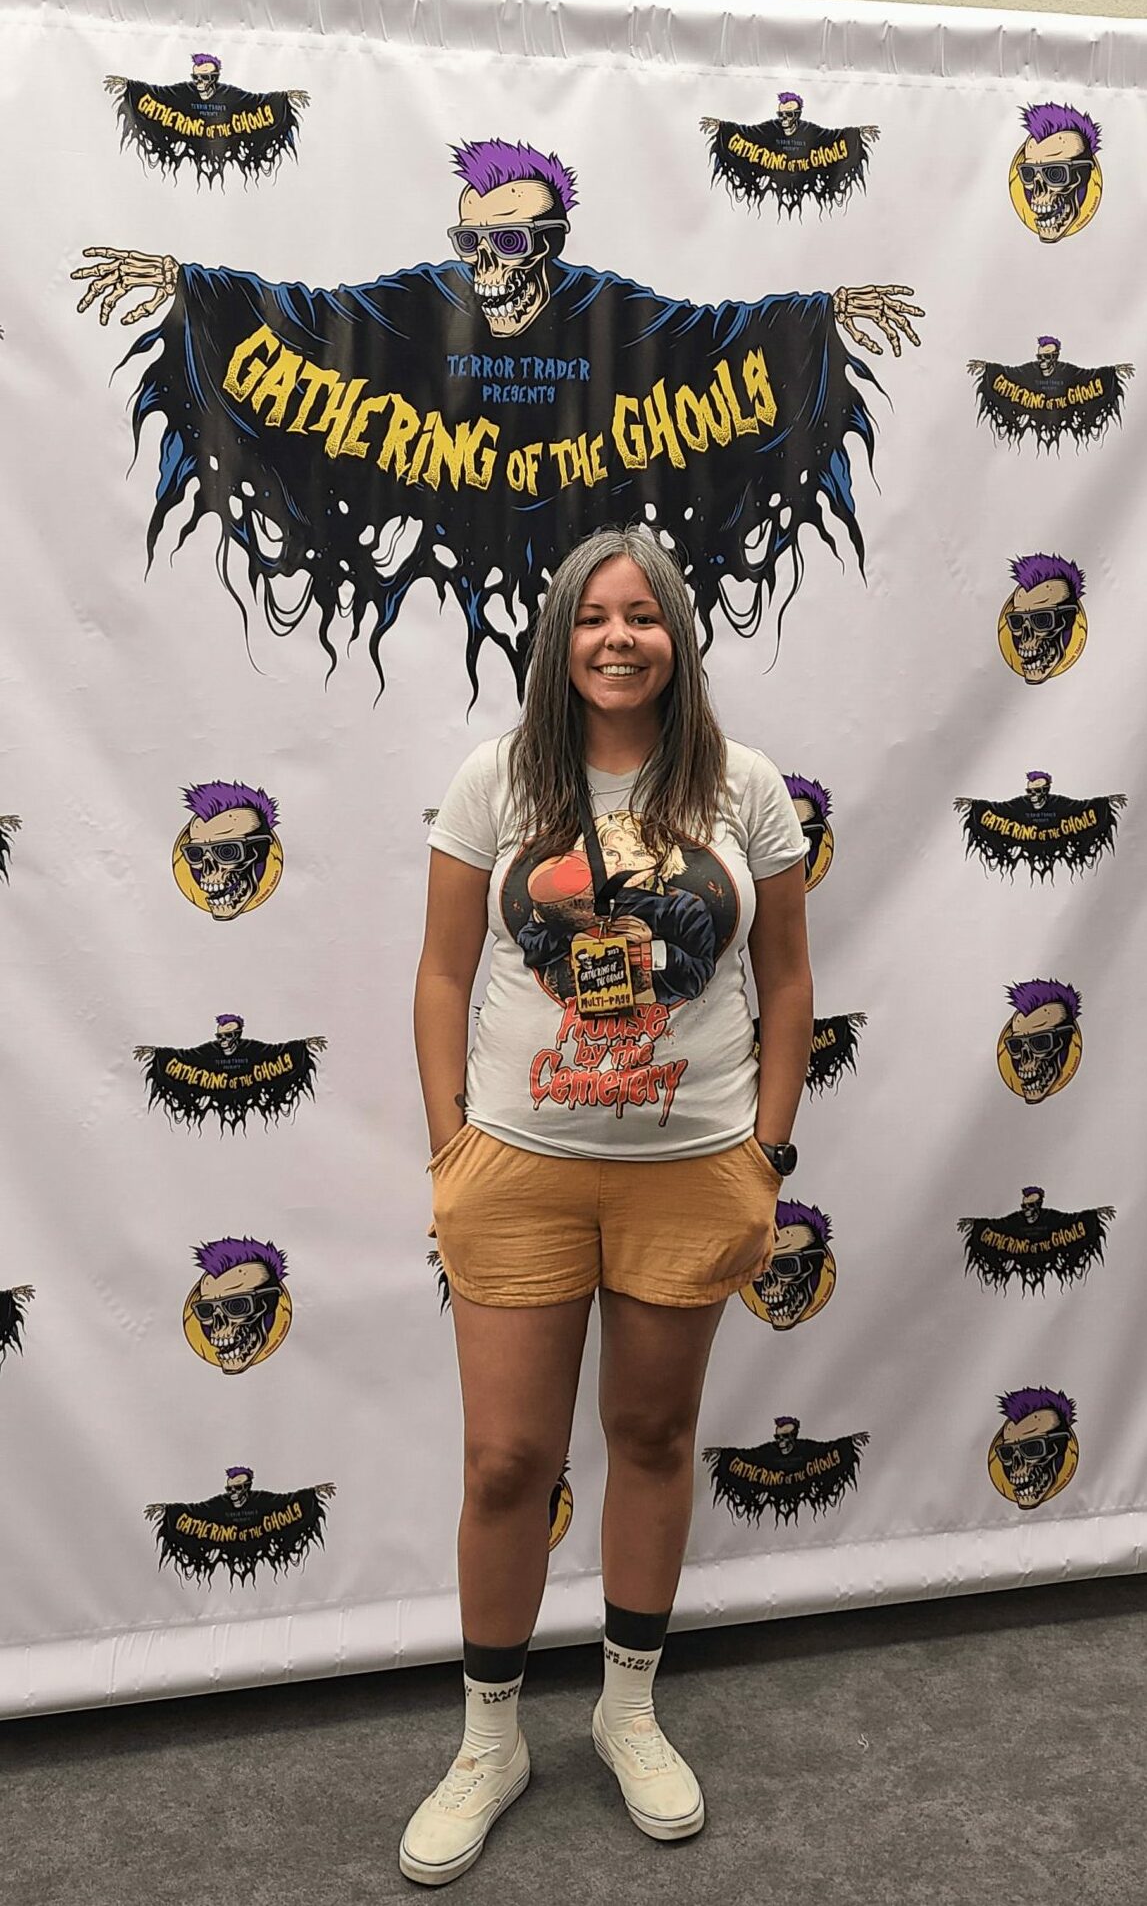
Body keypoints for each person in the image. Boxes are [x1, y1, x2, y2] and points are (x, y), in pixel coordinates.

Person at [404, 526, 812, 1884]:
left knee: (651, 1433)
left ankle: (628, 1706)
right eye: (593, 616)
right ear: (560, 641)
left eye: (642, 615)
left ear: (677, 637)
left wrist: (767, 1151)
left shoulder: (745, 786)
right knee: (505, 1462)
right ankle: (490, 1740)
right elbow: (443, 972)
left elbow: (789, 977)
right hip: (518, 1165)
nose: (618, 638)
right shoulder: (498, 780)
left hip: (692, 1166)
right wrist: (452, 1146)